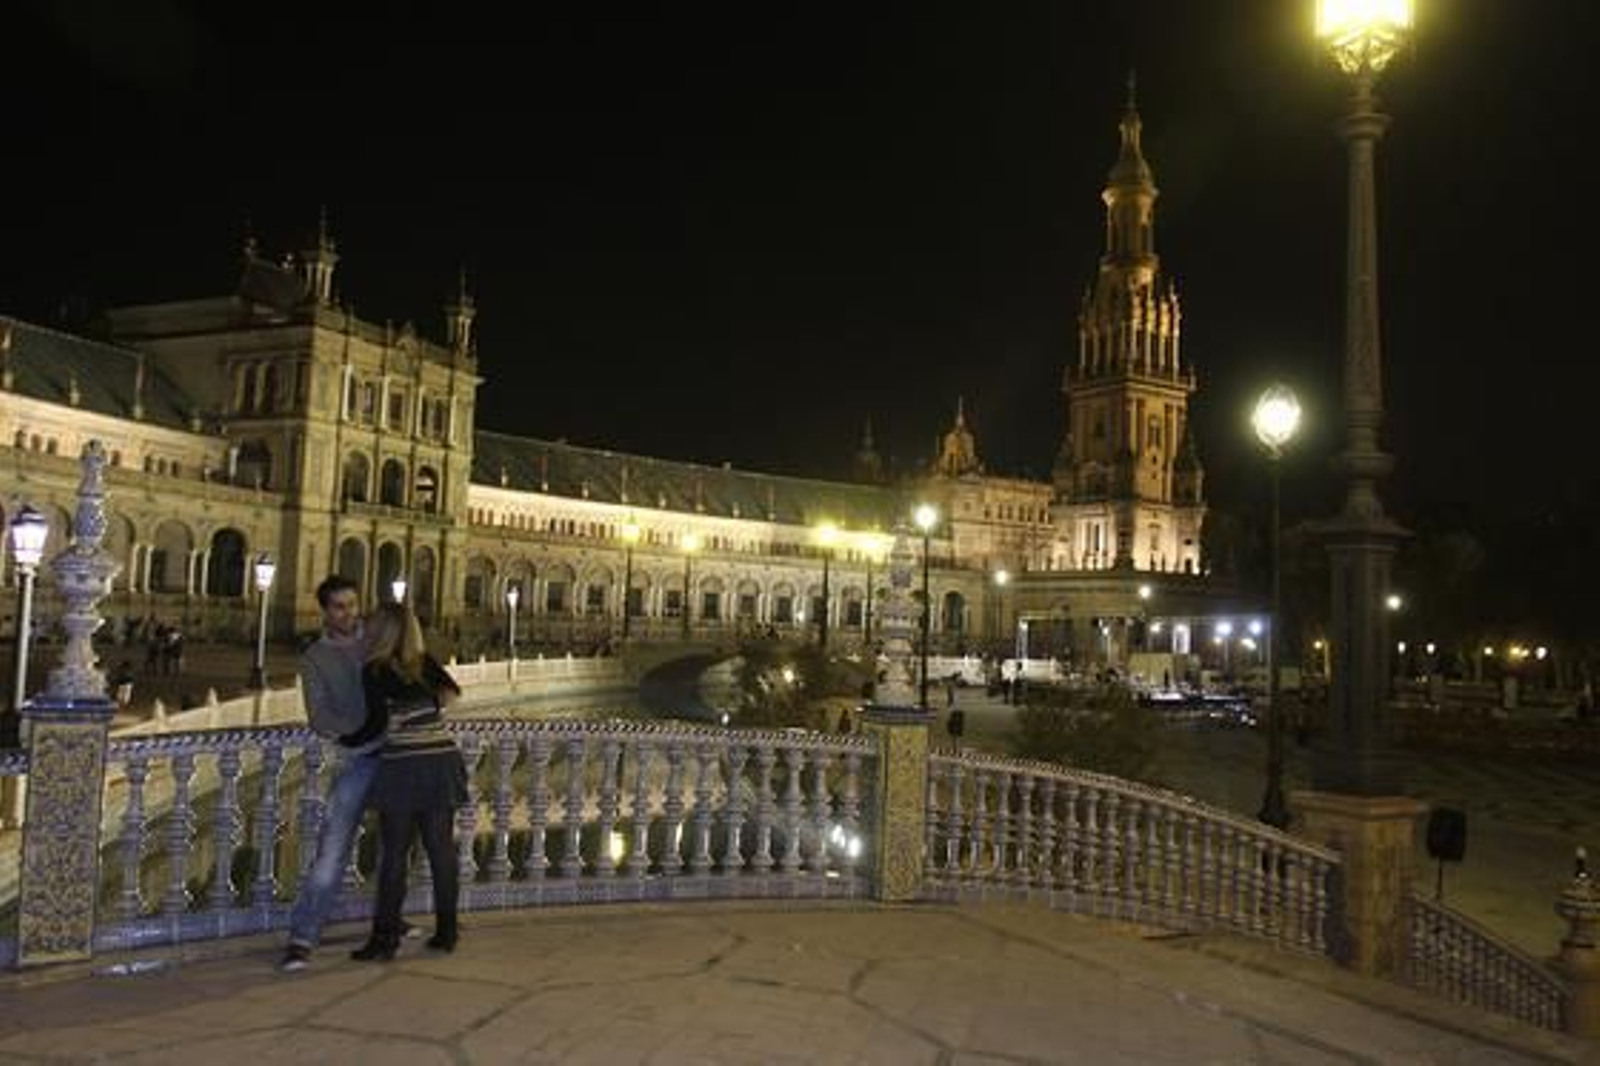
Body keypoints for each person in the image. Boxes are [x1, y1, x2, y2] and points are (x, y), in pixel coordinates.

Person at [279, 576, 386, 972]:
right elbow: (319, 715)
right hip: (359, 756)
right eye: (340, 606)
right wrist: (359, 731)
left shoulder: (377, 642)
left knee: (395, 846)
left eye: (354, 604)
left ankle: (389, 918)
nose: (349, 613)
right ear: (325, 611)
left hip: (396, 755)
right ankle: (304, 934)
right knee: (332, 849)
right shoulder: (315, 658)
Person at [347, 603, 465, 961]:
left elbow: (374, 725)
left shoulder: (374, 669)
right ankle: (447, 932)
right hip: (442, 759)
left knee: (395, 852)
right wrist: (427, 714)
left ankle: (384, 940)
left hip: (405, 764)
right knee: (441, 850)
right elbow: (451, 692)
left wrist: (345, 740)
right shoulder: (423, 662)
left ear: (382, 630)